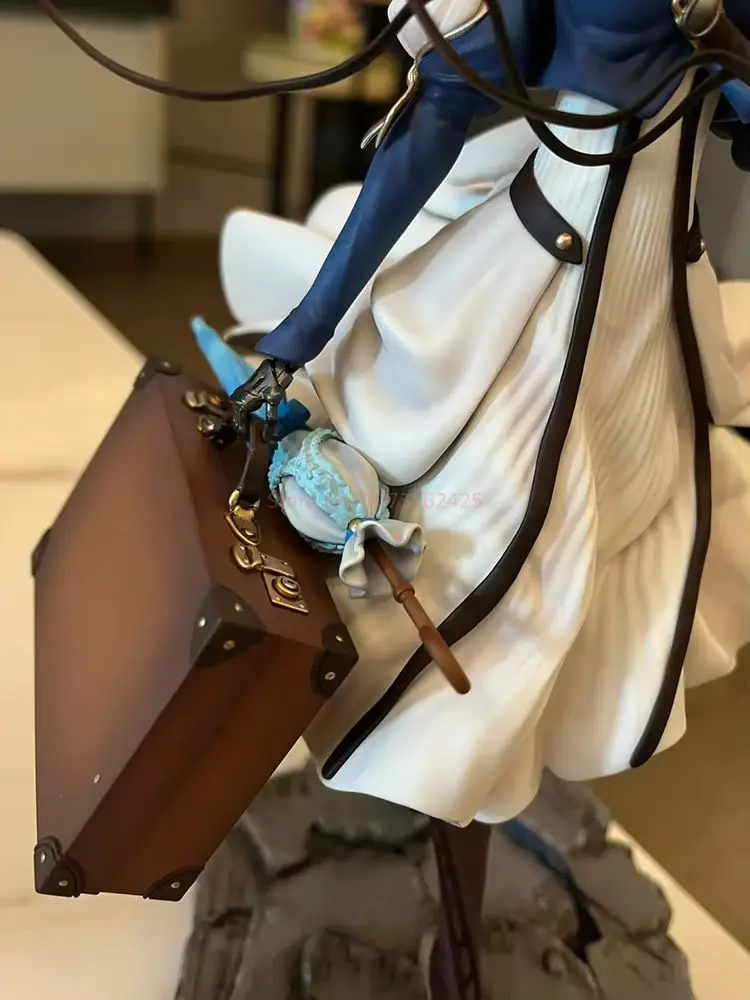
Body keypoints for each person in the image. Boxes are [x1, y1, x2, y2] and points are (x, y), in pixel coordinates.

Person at [222, 0, 750, 830]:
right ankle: (429, 797)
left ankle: (471, 825)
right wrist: (301, 332)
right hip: (530, 294)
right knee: (475, 560)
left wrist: (726, 47)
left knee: (613, 562)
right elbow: (436, 114)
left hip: (649, 320)